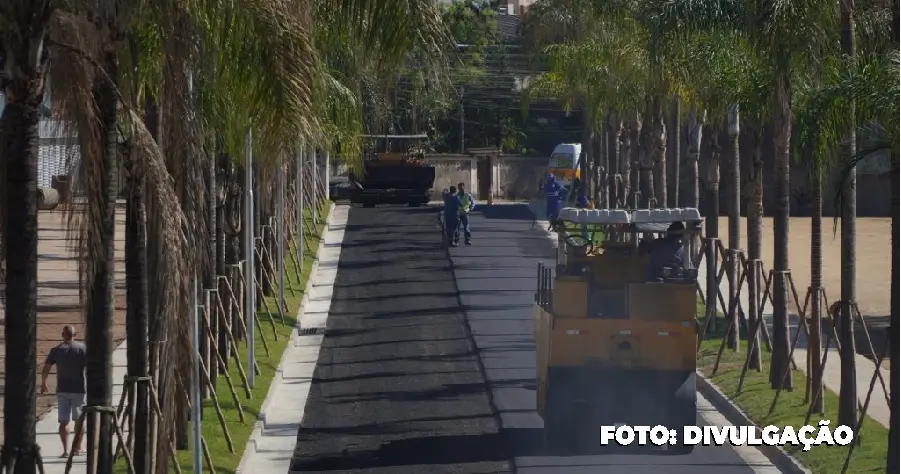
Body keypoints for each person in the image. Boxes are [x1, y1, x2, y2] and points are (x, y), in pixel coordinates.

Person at [41, 325, 87, 458]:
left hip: (62, 389)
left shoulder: (56, 350)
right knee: (79, 420)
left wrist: (43, 383)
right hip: (79, 389)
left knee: (63, 421)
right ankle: (78, 448)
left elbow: (47, 367)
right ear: (75, 334)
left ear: (63, 334)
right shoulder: (82, 348)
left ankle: (66, 450)